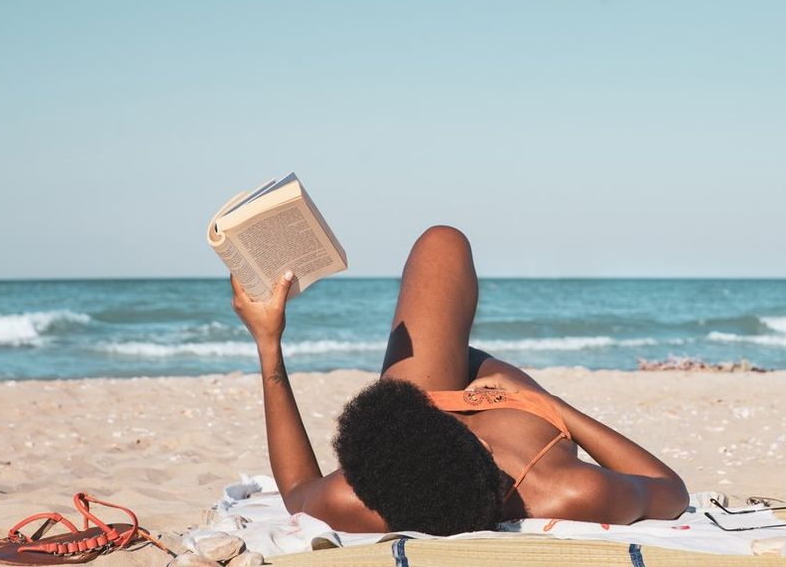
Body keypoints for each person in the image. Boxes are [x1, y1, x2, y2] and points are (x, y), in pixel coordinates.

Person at [230, 225, 689, 535]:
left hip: (416, 425)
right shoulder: (567, 491)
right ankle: (469, 361)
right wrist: (548, 404)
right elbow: (670, 489)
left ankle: (442, 371)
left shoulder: (357, 500)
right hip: (515, 408)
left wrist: (268, 342)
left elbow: (297, 488)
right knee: (445, 243)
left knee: (440, 242)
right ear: (483, 445)